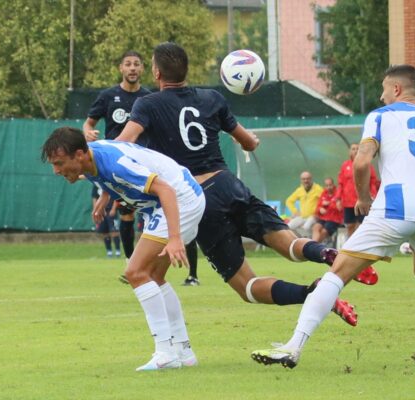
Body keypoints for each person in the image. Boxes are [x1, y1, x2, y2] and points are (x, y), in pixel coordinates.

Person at [110, 42, 378, 323]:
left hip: (197, 199)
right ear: (186, 70)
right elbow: (249, 143)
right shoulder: (212, 98)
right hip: (228, 185)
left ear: (155, 72)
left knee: (248, 287)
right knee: (290, 245)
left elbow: (122, 146)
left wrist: (100, 156)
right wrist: (252, 140)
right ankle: (327, 252)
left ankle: (314, 293)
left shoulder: (147, 104)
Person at [250, 64, 415, 369]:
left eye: (383, 88)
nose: (380, 95)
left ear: (396, 89)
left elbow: (362, 162)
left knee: (336, 273)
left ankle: (293, 347)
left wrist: (364, 199)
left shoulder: (380, 117)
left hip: (393, 207)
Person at [42, 127, 204, 371]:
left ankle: (165, 352)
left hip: (178, 198)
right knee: (154, 277)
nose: (56, 170)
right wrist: (106, 199)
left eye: (59, 163)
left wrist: (174, 238)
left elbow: (165, 189)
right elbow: (110, 179)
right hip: (173, 198)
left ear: (79, 154)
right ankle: (183, 350)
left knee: (135, 272)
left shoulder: (114, 164)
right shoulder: (91, 158)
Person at [83, 50, 152, 266]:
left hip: (144, 161)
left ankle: (148, 261)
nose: (132, 68)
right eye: (128, 64)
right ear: (121, 68)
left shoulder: (149, 97)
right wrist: (87, 131)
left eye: (136, 64)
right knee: (127, 215)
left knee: (151, 213)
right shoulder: (107, 96)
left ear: (142, 69)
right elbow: (89, 123)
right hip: (118, 164)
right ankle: (131, 262)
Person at [336, 143, 379, 238]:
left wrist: (373, 195)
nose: (355, 150)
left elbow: (373, 182)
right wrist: (338, 199)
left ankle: (359, 246)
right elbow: (340, 183)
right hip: (348, 202)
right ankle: (350, 246)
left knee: (362, 224)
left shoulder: (366, 165)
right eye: (353, 149)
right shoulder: (345, 165)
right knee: (350, 225)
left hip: (362, 200)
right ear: (350, 151)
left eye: (357, 149)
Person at [286, 172, 323, 237]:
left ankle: (309, 243)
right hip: (302, 216)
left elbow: (324, 201)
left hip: (313, 216)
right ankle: (298, 241)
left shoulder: (318, 189)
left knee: (306, 227)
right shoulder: (299, 190)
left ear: (311, 179)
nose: (306, 181)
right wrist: (295, 211)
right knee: (288, 227)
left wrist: (319, 213)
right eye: (303, 179)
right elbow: (289, 201)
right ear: (301, 180)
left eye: (308, 179)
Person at [91, 184, 121, 257]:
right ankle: (109, 251)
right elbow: (94, 198)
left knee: (114, 231)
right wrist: (96, 211)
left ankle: (118, 251)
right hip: (101, 211)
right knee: (105, 232)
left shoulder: (109, 182)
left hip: (110, 210)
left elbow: (116, 197)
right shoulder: (96, 184)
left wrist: (114, 209)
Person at [311, 177, 343, 244]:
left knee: (323, 231)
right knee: (315, 227)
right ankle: (313, 245)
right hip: (324, 218)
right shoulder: (324, 193)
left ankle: (314, 247)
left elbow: (340, 208)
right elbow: (318, 207)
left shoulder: (338, 193)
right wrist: (320, 209)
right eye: (327, 185)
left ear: (333, 184)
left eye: (330, 185)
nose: (329, 187)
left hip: (334, 219)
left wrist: (328, 204)